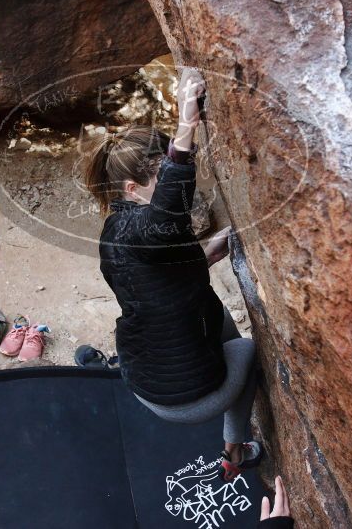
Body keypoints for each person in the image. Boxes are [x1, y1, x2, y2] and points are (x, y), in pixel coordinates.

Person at [83, 67, 262, 481]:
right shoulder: (145, 225)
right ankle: (234, 444)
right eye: (159, 174)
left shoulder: (116, 231)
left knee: (214, 313)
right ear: (131, 188)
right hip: (183, 400)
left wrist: (205, 257)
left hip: (144, 376)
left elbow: (159, 281)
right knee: (246, 350)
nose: (167, 177)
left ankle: (233, 440)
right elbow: (168, 211)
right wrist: (187, 121)